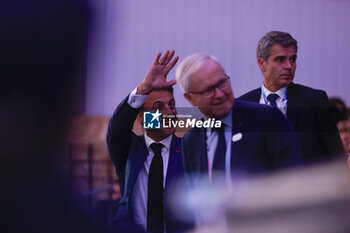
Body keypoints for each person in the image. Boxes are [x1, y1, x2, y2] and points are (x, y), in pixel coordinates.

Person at [175, 53, 303, 184]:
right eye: (208, 90)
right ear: (190, 99)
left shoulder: (267, 120)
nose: (220, 94)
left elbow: (293, 180)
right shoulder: (191, 140)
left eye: (222, 83)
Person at [107, 50, 193, 233]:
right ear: (141, 118)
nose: (169, 112)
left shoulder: (189, 149)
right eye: (157, 108)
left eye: (171, 105)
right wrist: (144, 88)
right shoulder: (129, 149)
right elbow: (117, 128)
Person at [239, 31, 345, 165]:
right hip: (259, 185)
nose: (289, 66)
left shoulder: (314, 100)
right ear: (261, 64)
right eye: (280, 59)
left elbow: (336, 156)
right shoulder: (243, 105)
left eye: (292, 59)